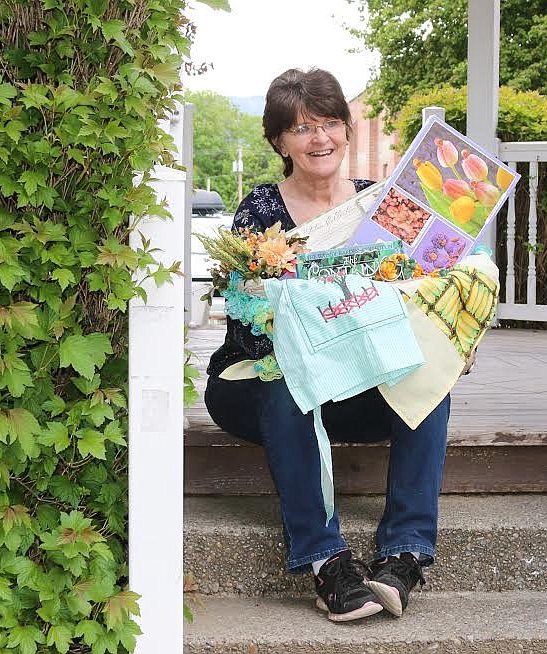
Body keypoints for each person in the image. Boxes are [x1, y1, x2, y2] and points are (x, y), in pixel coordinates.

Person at [203, 68, 451, 623]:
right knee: (285, 377)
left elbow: (419, 294)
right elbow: (251, 328)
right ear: (279, 142)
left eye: (330, 124)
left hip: (354, 384)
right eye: (302, 127)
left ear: (346, 129)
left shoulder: (382, 205)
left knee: (428, 378)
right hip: (262, 387)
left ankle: (404, 554)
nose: (320, 139)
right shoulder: (260, 213)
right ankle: (324, 560)